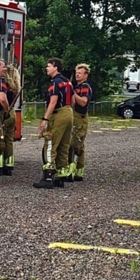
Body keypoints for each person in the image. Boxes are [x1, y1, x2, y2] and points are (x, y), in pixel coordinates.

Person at [33, 58, 74, 189]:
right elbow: (72, 100)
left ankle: (48, 177)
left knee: (50, 144)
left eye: (49, 66)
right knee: (63, 145)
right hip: (69, 112)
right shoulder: (67, 82)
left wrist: (45, 119)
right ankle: (61, 176)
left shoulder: (55, 83)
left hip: (59, 113)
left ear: (56, 68)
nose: (46, 68)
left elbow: (53, 102)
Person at [67, 63, 93, 182]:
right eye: (76, 72)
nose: (77, 75)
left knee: (76, 144)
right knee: (70, 143)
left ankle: (77, 169)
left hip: (80, 117)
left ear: (86, 75)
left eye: (80, 73)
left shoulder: (85, 87)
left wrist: (73, 93)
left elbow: (83, 102)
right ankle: (73, 169)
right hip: (73, 116)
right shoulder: (76, 87)